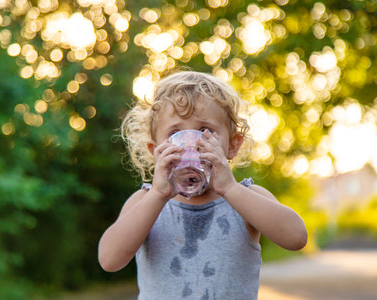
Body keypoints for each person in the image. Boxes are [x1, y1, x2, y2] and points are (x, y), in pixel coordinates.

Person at [98, 71, 308, 299]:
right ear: (155, 151)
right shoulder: (145, 202)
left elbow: (296, 238)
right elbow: (109, 260)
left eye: (205, 131)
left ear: (232, 145)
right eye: (175, 133)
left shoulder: (244, 197)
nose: (191, 143)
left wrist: (230, 189)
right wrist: (158, 194)